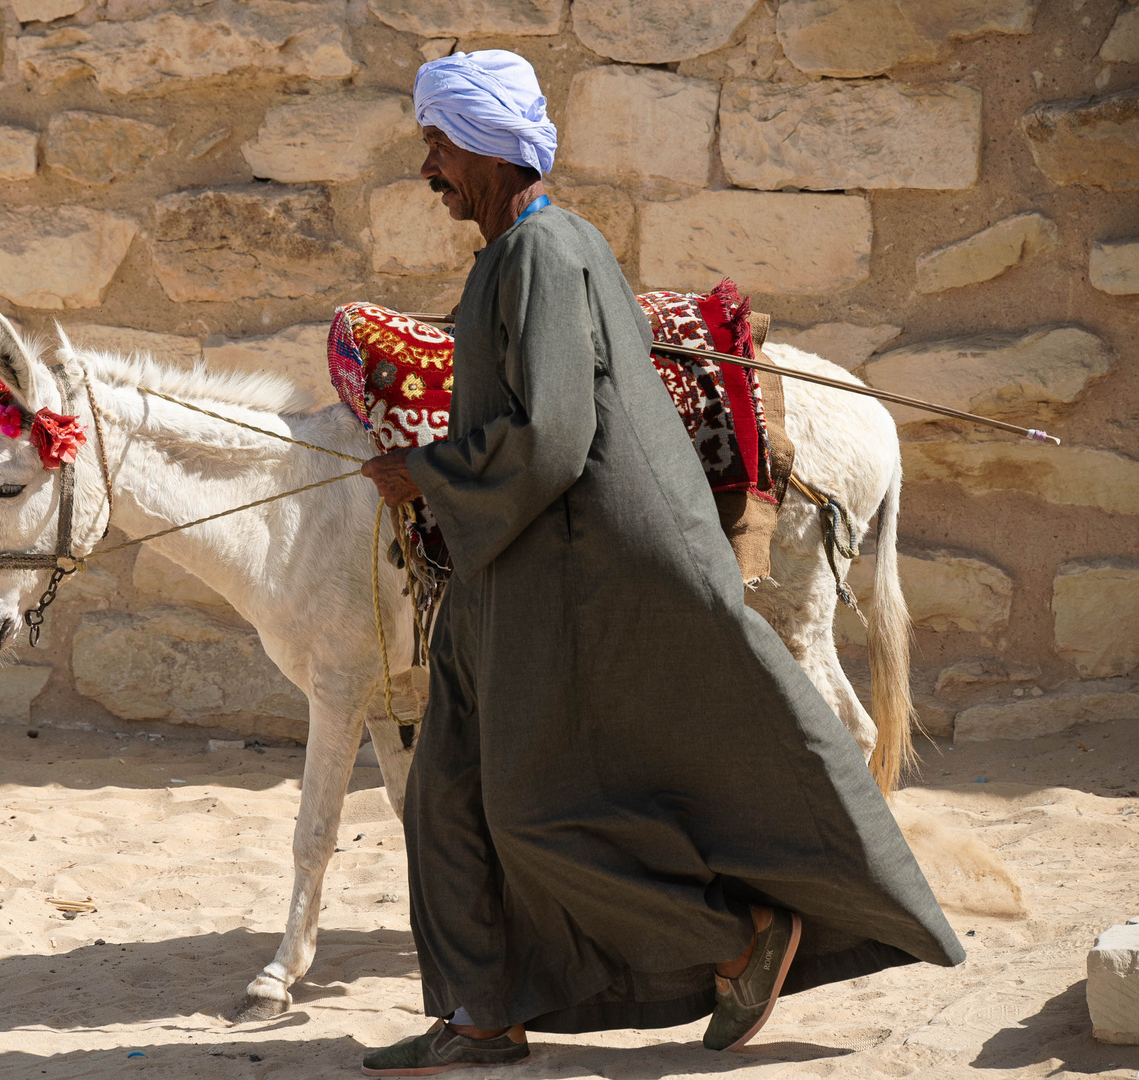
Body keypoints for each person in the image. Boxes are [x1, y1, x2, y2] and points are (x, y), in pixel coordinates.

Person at [356, 49, 964, 1076]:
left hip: (574, 568)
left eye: (437, 144)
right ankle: (484, 1012)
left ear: (487, 146)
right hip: (503, 567)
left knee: (532, 811)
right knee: (445, 790)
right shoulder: (520, 253)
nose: (427, 169)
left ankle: (736, 941)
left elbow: (551, 440)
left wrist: (430, 473)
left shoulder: (544, 257)